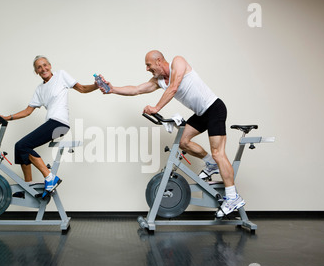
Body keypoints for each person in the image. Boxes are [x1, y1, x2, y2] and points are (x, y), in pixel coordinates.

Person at [99, 50, 245, 217]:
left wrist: (156, 108)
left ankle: (233, 197)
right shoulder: (159, 81)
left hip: (214, 109)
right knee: (183, 141)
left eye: (148, 65)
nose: (147, 69)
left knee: (219, 153)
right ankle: (210, 163)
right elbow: (137, 89)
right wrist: (112, 89)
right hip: (201, 114)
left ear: (159, 61)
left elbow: (174, 87)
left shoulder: (178, 62)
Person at [0, 55, 98, 195]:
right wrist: (7, 117)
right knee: (19, 148)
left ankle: (50, 177)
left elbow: (81, 88)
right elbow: (28, 111)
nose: (43, 68)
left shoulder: (61, 76)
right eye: (39, 67)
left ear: (50, 66)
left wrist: (96, 86)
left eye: (45, 65)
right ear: (36, 72)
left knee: (23, 145)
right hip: (52, 123)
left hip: (59, 123)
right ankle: (28, 187)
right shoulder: (39, 90)